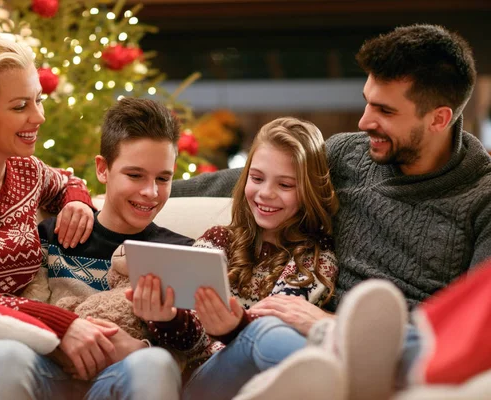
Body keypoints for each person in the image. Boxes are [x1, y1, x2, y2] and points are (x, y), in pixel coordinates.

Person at [170, 24, 491, 398]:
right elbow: (253, 179)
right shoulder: (349, 154)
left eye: (384, 110)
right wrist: (124, 195)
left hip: (396, 346)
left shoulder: (482, 198)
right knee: (267, 334)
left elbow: (474, 324)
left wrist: (331, 323)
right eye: (367, 100)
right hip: (305, 348)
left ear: (438, 118)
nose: (364, 120)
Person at [0, 35, 174, 400]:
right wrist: (56, 324)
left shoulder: (24, 170)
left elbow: (67, 182)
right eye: (20, 105)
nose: (38, 116)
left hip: (13, 339)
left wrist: (76, 201)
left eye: (38, 99)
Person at [130, 117, 339, 400]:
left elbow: (276, 328)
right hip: (205, 381)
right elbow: (194, 344)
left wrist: (234, 327)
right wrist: (167, 318)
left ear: (309, 191)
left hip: (267, 377)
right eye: (257, 178)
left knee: (270, 331)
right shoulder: (218, 240)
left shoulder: (315, 258)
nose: (266, 193)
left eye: (286, 185)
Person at [26, 97, 194, 306]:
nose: (151, 192)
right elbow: (28, 312)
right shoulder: (53, 237)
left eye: (162, 178)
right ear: (102, 169)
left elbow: (200, 334)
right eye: (135, 175)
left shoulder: (184, 254)